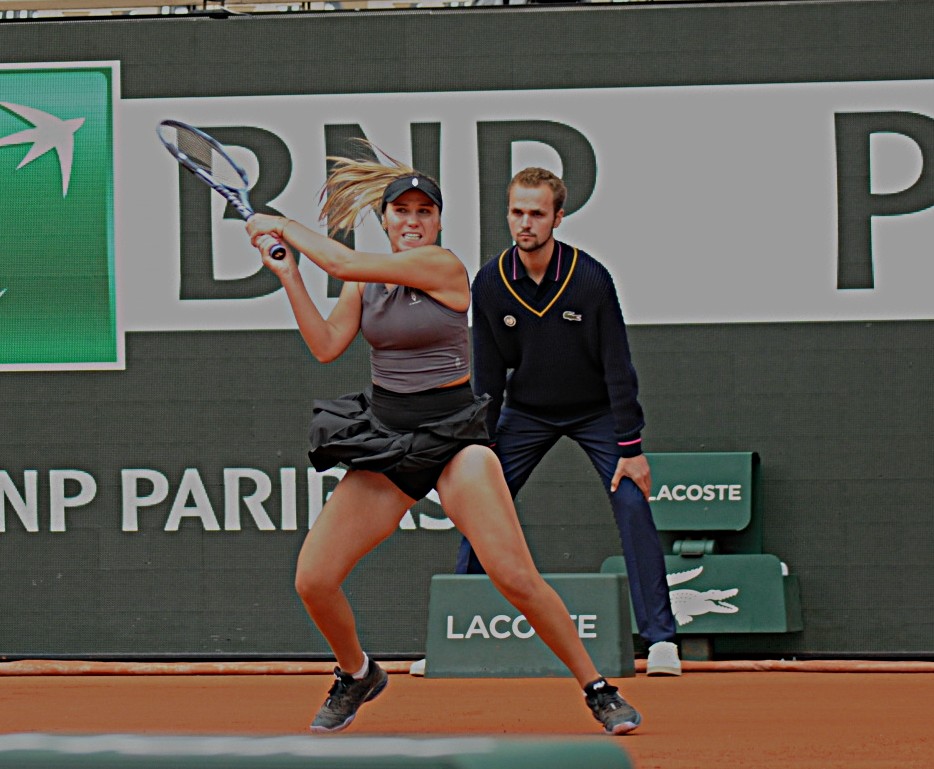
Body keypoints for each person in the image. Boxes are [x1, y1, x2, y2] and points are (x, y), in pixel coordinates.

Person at [244, 145, 643, 735]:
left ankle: (598, 688)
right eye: (400, 211)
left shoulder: (445, 268)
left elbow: (345, 263)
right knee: (314, 578)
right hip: (388, 438)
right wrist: (289, 275)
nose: (411, 221)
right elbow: (327, 345)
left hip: (455, 439)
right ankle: (356, 673)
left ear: (438, 221)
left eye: (423, 211)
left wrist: (281, 224)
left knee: (514, 576)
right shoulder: (366, 285)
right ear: (385, 220)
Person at [455, 167, 681, 677]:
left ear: (559, 217)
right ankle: (459, 626)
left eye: (537, 213)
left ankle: (661, 639)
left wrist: (631, 446)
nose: (525, 223)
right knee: (480, 501)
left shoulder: (590, 278)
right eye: (517, 212)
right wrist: (480, 448)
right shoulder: (490, 282)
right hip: (526, 411)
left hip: (596, 410)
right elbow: (488, 376)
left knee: (631, 500)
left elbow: (618, 366)